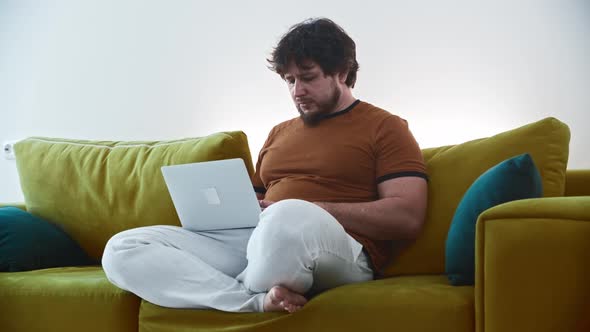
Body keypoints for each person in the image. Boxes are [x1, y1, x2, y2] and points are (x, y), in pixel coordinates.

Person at [102, 17, 428, 314]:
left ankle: (243, 287)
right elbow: (257, 208)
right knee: (124, 248)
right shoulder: (279, 133)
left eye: (308, 78)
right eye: (289, 80)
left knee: (286, 217)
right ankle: (255, 301)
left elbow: (406, 216)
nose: (297, 91)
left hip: (341, 250)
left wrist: (306, 207)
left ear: (342, 72)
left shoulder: (386, 127)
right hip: (263, 240)